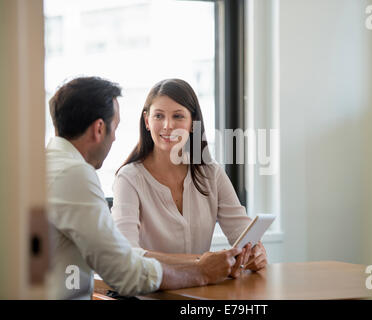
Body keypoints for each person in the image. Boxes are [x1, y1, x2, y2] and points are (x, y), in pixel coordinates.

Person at [46, 76, 246, 300]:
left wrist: (249, 252)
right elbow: (123, 270)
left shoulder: (46, 167)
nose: (115, 138)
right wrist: (200, 268)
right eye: (115, 127)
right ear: (99, 129)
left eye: (178, 116)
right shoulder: (77, 175)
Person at [111, 78, 267, 272]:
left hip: (199, 290)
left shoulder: (211, 173)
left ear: (193, 123)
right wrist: (201, 262)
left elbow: (242, 234)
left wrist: (256, 252)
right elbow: (126, 253)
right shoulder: (129, 179)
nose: (168, 125)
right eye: (159, 116)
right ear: (147, 121)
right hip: (148, 291)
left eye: (178, 116)